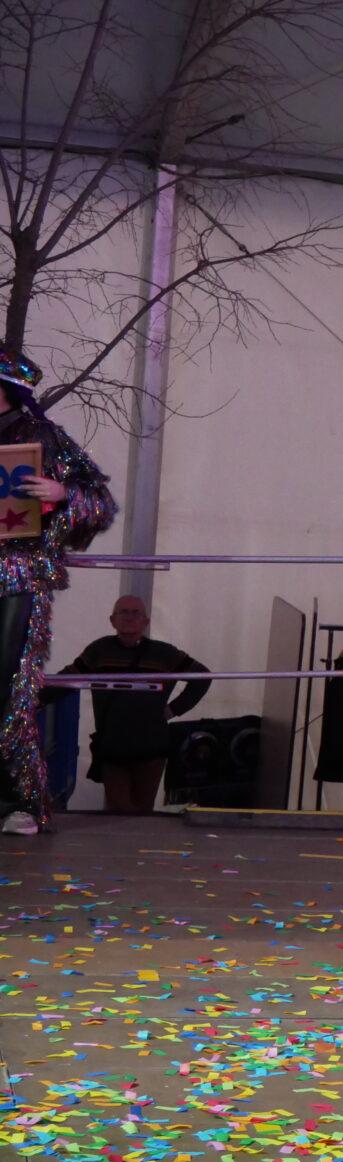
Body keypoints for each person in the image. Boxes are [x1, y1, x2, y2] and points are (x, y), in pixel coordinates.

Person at [0, 347, 117, 836]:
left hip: (16, 577)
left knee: (8, 682)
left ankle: (15, 799)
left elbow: (100, 502)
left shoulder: (41, 436)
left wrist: (62, 494)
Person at [64, 595, 210, 814]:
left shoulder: (165, 654)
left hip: (152, 747)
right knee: (120, 810)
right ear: (112, 620)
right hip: (113, 746)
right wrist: (34, 696)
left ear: (146, 621)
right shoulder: (99, 651)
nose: (129, 618)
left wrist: (173, 709)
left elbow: (202, 677)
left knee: (142, 813)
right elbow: (66, 679)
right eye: (123, 612)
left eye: (136, 613)